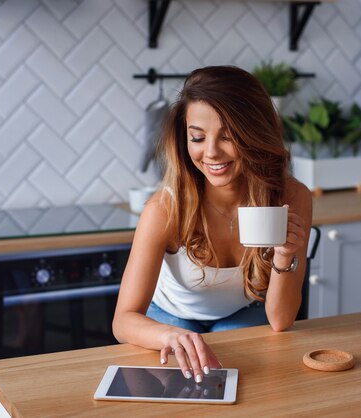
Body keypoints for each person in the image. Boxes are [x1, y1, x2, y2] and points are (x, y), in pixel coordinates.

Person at [112, 65, 312, 384]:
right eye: (197, 137)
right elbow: (123, 321)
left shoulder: (291, 196)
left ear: (255, 134)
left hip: (241, 315)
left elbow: (280, 320)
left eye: (228, 136)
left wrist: (285, 257)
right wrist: (169, 335)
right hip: (170, 319)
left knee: (260, 385)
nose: (211, 153)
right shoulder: (164, 209)